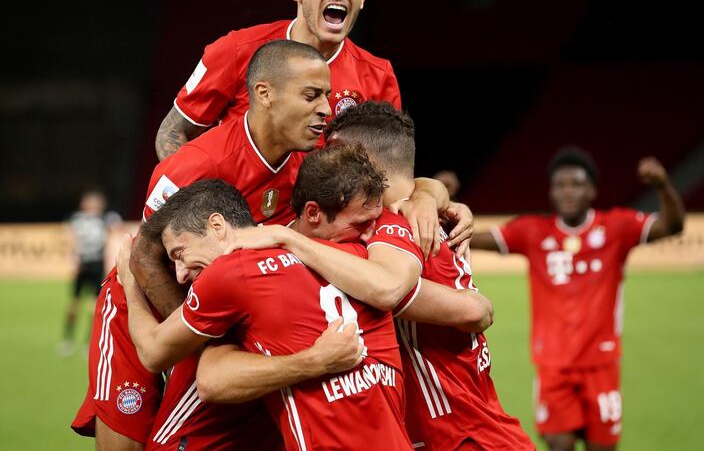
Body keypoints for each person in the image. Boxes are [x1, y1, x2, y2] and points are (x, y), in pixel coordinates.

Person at [73, 41, 448, 449]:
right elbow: (145, 257)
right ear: (265, 95)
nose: (326, 108)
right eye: (312, 96)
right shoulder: (199, 162)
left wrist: (430, 192)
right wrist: (208, 336)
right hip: (149, 307)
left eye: (326, 94)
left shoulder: (312, 159)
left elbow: (391, 177)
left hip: (223, 307)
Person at [203, 102, 534, 450]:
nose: (326, 162)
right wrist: (430, 190)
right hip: (468, 427)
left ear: (358, 158)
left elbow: (470, 310)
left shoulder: (395, 227)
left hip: (460, 435)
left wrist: (289, 239)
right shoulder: (416, 214)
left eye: (333, 153)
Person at [119, 166, 413, 449]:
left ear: (217, 226)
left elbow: (155, 353)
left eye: (181, 253)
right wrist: (428, 191)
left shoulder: (230, 273)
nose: (181, 273)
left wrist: (130, 282)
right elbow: (395, 289)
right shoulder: (357, 255)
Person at [471, 147, 685, 451]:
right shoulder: (532, 231)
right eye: (560, 185)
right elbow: (474, 238)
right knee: (560, 445)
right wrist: (443, 209)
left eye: (576, 184)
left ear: (592, 190)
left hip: (601, 364)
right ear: (551, 191)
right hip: (553, 365)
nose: (567, 192)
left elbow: (672, 226)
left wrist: (663, 185)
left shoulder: (617, 227)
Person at [155, 0, 401, 161]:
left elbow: (390, 170)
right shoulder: (237, 49)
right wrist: (205, 200)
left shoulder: (379, 77)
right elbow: (172, 132)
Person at [59, 189, 122, 357]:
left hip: (96, 265)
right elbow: (70, 239)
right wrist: (73, 257)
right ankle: (68, 340)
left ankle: (88, 342)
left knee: (92, 307)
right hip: (84, 266)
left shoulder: (103, 219)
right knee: (75, 304)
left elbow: (116, 227)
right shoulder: (79, 219)